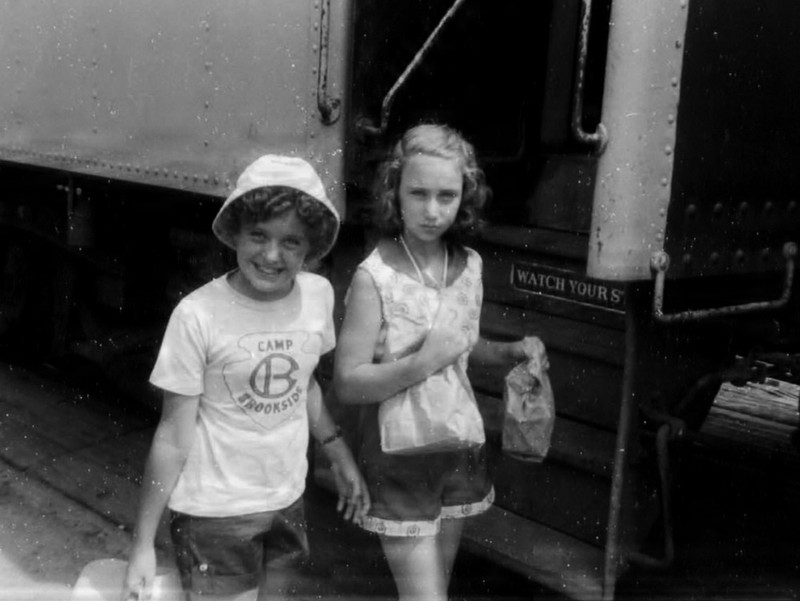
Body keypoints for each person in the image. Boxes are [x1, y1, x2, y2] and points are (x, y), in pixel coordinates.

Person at [121, 155, 370, 601]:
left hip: (286, 502)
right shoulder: (197, 314)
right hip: (214, 515)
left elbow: (305, 382)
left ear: (310, 247)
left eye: (291, 242)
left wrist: (338, 452)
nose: (272, 255)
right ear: (235, 231)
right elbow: (172, 438)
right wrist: (142, 543)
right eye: (258, 235)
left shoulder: (317, 295)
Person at [334, 124, 531, 601]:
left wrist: (507, 353)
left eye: (447, 195)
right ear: (393, 191)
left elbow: (461, 345)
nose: (432, 210)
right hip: (399, 455)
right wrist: (422, 362)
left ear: (464, 196)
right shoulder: (374, 278)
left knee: (435, 587)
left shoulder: (469, 265)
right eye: (417, 193)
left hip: (457, 447)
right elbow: (348, 382)